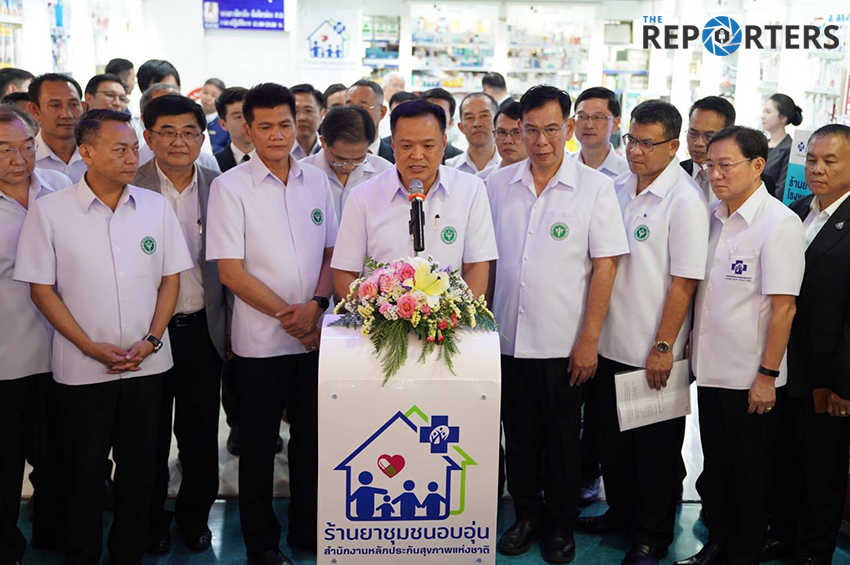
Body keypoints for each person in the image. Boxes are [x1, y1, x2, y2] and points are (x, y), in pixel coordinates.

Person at [14, 108, 193, 565]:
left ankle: (128, 554)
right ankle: (82, 554)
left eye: (134, 148)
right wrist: (88, 346)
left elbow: (170, 279)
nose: (133, 158)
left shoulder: (154, 206)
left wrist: (152, 340)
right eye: (120, 150)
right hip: (81, 369)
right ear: (88, 153)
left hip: (148, 365)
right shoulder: (51, 211)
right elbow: (41, 290)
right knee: (82, 472)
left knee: (141, 470)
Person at [488, 85, 629, 564]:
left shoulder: (594, 187)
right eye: (531, 130)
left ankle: (561, 525)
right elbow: (487, 262)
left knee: (564, 441)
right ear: (518, 129)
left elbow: (606, 265)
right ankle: (527, 515)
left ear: (568, 128)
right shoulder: (498, 185)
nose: (541, 141)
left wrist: (589, 340)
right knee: (519, 436)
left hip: (564, 343)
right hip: (507, 340)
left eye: (551, 129)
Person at [206, 83, 336, 565]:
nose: (278, 134)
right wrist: (291, 315)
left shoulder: (317, 181)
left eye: (285, 124)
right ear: (247, 129)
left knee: (312, 441)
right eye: (266, 126)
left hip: (314, 338)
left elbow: (332, 253)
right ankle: (261, 542)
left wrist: (316, 306)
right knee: (259, 446)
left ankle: (307, 528)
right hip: (260, 343)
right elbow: (231, 272)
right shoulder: (229, 187)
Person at [580, 100, 709, 565]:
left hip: (652, 350)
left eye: (647, 144)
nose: (635, 151)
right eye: (631, 140)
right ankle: (620, 514)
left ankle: (652, 536)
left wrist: (663, 346)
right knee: (612, 443)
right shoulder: (616, 187)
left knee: (654, 453)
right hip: (608, 342)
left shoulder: (685, 201)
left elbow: (684, 282)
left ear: (674, 147)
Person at [675, 126, 805, 565]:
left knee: (750, 477)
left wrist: (767, 376)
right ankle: (717, 547)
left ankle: (743, 554)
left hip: (751, 379)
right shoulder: (713, 216)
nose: (714, 174)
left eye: (725, 165)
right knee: (718, 471)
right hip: (711, 371)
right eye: (710, 165)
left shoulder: (778, 224)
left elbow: (784, 309)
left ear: (757, 166)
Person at [133, 94, 228, 556]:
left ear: (202, 138)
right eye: (167, 132)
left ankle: (194, 518)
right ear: (148, 137)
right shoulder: (130, 185)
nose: (179, 141)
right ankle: (150, 519)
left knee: (199, 433)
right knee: (146, 436)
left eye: (189, 132)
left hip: (202, 330)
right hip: (145, 333)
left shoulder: (220, 187)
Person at [763, 124, 850, 565]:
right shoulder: (794, 210)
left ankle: (815, 549)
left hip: (828, 371)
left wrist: (843, 383)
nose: (817, 169)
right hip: (785, 363)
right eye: (812, 159)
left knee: (823, 466)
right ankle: (783, 533)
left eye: (829, 161)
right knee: (784, 457)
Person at [331, 99, 497, 301]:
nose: (417, 155)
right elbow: (345, 271)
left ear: (443, 143)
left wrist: (460, 313)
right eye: (407, 145)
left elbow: (477, 265)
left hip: (449, 318)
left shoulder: (470, 190)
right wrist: (373, 314)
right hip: (382, 318)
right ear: (393, 144)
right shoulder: (363, 196)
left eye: (428, 145)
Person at [0, 105, 71, 565]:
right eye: (5, 150)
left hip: (63, 350)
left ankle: (53, 532)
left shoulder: (59, 187)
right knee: (5, 462)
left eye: (27, 147)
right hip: (7, 356)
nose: (19, 159)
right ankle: (7, 546)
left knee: (59, 455)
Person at [303, 105, 392, 221]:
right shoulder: (301, 175)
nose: (348, 167)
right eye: (340, 160)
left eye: (358, 160)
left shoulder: (384, 173)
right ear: (323, 142)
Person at [138, 84, 220, 172]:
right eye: (169, 133)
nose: (178, 143)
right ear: (149, 138)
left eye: (187, 133)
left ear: (201, 139)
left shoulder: (210, 167)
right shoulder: (135, 166)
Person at [27, 73, 87, 183]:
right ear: (35, 111)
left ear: (83, 108)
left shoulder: (100, 155)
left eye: (73, 105)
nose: (67, 115)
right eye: (55, 105)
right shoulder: (23, 160)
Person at [682, 96, 736, 202]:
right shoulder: (676, 174)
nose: (699, 143)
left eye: (709, 136)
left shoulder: (747, 180)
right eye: (693, 133)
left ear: (728, 136)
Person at [572, 87, 628, 180]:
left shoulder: (627, 174)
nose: (589, 125)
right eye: (582, 116)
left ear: (615, 124)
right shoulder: (561, 168)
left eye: (597, 117)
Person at [446, 92, 500, 174]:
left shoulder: (509, 165)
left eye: (484, 116)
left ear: (497, 122)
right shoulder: (450, 168)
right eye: (469, 117)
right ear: (461, 127)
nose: (477, 124)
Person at [762, 93, 802, 200]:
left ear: (783, 117)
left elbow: (781, 190)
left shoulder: (790, 149)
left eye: (768, 112)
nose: (763, 116)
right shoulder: (761, 144)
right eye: (763, 111)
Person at [477, 100, 527, 184]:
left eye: (516, 133)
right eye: (502, 132)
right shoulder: (480, 182)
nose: (508, 141)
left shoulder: (544, 181)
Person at [345, 79, 391, 161]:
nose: (354, 113)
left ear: (382, 112)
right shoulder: (331, 155)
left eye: (362, 108)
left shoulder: (396, 157)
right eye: (349, 107)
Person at [214, 87, 254, 174]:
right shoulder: (214, 164)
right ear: (223, 124)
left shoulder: (274, 157)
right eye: (238, 117)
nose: (246, 122)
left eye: (249, 115)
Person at [421, 88, 464, 163]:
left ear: (450, 121)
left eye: (440, 113)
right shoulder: (401, 153)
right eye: (427, 112)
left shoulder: (458, 160)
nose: (432, 118)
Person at [290, 83, 323, 160]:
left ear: (321, 114)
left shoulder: (330, 149)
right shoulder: (278, 150)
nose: (302, 118)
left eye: (308, 110)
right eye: (295, 111)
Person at [199, 78, 229, 153]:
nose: (207, 98)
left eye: (213, 95)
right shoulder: (193, 118)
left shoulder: (225, 122)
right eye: (205, 92)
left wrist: (212, 148)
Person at [378, 72, 405, 139]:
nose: (399, 89)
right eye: (395, 86)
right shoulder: (378, 108)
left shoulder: (405, 107)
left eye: (401, 86)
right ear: (384, 88)